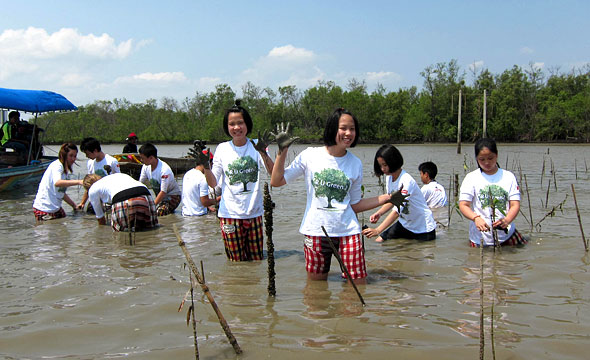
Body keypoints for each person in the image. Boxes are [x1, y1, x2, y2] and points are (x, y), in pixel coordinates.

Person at [270, 108, 405, 284]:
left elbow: (355, 204)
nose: (348, 133)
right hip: (316, 232)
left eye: (353, 129)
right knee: (316, 291)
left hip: (348, 232)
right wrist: (282, 151)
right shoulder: (310, 155)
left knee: (357, 284)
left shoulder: (355, 163)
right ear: (333, 128)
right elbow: (277, 181)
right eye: (343, 128)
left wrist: (388, 197)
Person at [202, 99, 274, 262]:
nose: (236, 128)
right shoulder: (222, 148)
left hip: (254, 214)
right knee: (236, 264)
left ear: (247, 124)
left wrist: (263, 152)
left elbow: (273, 173)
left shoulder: (256, 145)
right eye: (232, 124)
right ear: (227, 127)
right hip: (229, 215)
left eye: (240, 123)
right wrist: (205, 166)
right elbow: (213, 184)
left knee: (257, 260)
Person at [458, 138, 526, 247]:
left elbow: (515, 204)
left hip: (507, 235)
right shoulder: (471, 178)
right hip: (479, 238)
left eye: (490, 158)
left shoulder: (508, 177)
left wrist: (507, 220)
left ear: (497, 155)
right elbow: (463, 205)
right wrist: (476, 218)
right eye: (482, 159)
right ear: (476, 158)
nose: (487, 162)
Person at [362, 145, 436, 242]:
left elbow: (396, 211)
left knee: (413, 254)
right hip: (405, 224)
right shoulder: (389, 177)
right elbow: (392, 200)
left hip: (423, 228)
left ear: (393, 162)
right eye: (380, 166)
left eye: (385, 165)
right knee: (379, 241)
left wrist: (378, 230)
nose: (382, 169)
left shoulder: (406, 181)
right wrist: (379, 213)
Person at [82, 173, 158, 231]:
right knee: (150, 229)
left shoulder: (92, 189)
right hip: (145, 194)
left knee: (120, 234)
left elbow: (101, 219)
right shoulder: (115, 176)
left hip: (122, 197)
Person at [32, 143, 83, 221]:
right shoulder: (57, 165)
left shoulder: (64, 170)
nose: (73, 159)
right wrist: (79, 182)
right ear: (64, 155)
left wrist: (74, 206)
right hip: (44, 208)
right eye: (71, 155)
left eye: (75, 156)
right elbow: (57, 182)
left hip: (56, 208)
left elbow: (61, 192)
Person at [138, 143, 181, 216]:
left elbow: (163, 191)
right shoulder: (145, 167)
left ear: (151, 158)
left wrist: (152, 206)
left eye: (143, 158)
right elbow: (140, 184)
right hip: (161, 197)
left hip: (173, 196)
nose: (141, 160)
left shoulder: (164, 170)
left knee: (159, 213)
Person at [77, 137, 120, 210]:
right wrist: (82, 203)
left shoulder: (112, 161)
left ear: (95, 150)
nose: (86, 156)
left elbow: (119, 181)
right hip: (94, 200)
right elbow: (89, 184)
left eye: (87, 153)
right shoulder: (90, 163)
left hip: (108, 201)